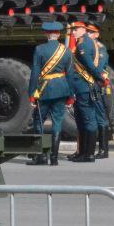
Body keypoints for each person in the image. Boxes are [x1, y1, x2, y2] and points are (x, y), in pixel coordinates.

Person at [27, 21, 73, 166]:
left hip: (44, 90)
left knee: (39, 121)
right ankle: (54, 158)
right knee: (57, 122)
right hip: (61, 89)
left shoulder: (40, 49)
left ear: (46, 33)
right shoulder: (66, 51)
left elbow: (35, 73)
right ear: (59, 34)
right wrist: (71, 95)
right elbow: (70, 75)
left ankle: (41, 157)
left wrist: (32, 93)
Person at [67, 20, 103, 161]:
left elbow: (89, 65)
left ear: (83, 29)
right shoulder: (84, 42)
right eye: (73, 29)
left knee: (88, 120)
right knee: (82, 120)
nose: (73, 32)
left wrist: (99, 78)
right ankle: (83, 153)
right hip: (82, 86)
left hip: (84, 86)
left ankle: (88, 154)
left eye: (76, 29)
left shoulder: (83, 44)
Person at [86, 22, 112, 159]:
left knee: (101, 116)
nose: (88, 34)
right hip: (90, 84)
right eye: (87, 32)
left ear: (97, 34)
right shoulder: (89, 48)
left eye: (90, 32)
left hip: (97, 85)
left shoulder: (100, 50)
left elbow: (98, 68)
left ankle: (103, 150)